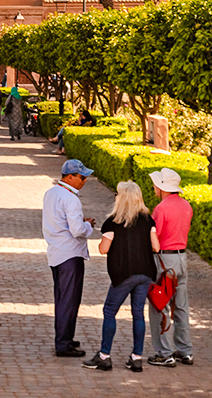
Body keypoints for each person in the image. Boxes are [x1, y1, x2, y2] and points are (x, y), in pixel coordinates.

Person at [83, 181, 161, 372]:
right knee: (138, 314)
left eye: (117, 194)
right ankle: (136, 358)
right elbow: (156, 247)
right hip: (145, 272)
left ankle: (104, 356)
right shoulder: (148, 220)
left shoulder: (113, 222)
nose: (115, 196)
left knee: (110, 311)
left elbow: (103, 249)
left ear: (122, 198)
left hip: (123, 274)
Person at [43, 158, 96, 358]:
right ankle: (63, 344)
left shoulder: (51, 193)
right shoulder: (71, 199)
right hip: (70, 255)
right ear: (70, 177)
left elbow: (58, 220)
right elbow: (77, 231)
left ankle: (65, 337)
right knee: (69, 300)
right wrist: (88, 226)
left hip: (56, 252)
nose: (85, 181)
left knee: (62, 298)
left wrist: (80, 222)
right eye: (82, 177)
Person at [146, 168, 194, 368]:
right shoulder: (186, 206)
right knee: (180, 307)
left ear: (162, 187)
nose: (154, 187)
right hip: (182, 258)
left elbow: (155, 238)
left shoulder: (161, 208)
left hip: (165, 260)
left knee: (160, 306)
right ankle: (185, 351)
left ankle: (164, 353)